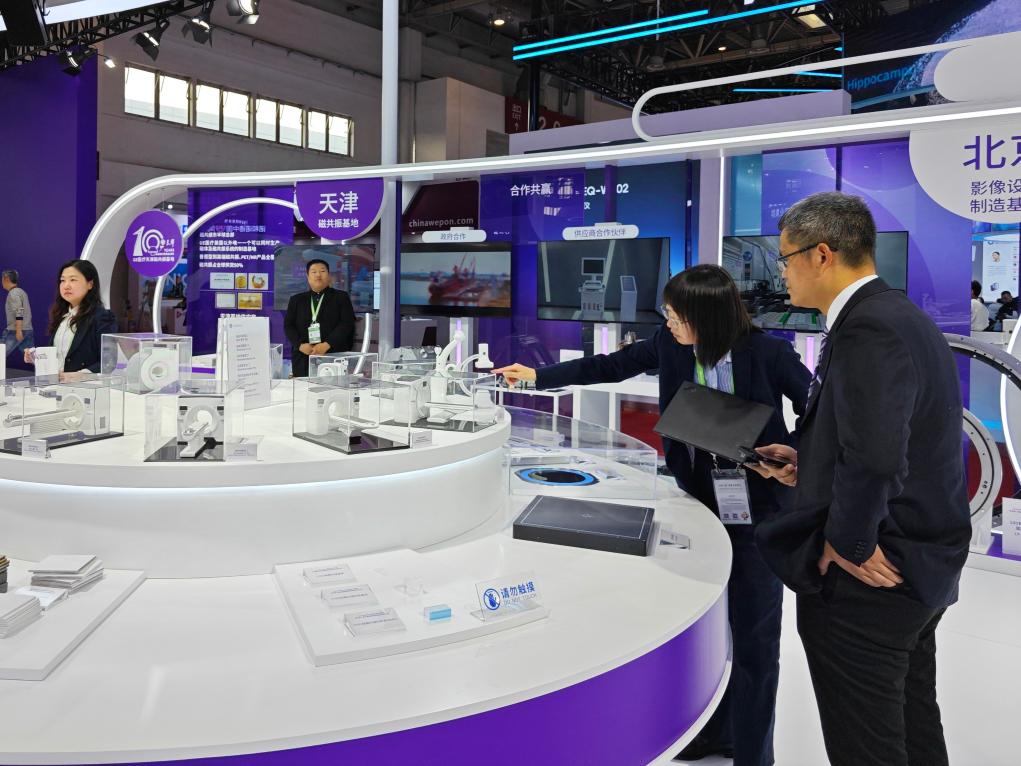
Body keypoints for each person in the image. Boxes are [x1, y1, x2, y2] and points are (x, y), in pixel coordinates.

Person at [495, 265, 811, 766]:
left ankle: (754, 755)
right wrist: (538, 376)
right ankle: (718, 732)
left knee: (755, 637)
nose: (668, 324)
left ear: (707, 318)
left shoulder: (769, 354)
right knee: (710, 626)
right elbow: (611, 365)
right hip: (697, 500)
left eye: (676, 316)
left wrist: (793, 455)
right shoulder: (670, 345)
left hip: (758, 511)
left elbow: (817, 409)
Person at [751, 192, 971, 766]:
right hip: (920, 564)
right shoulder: (899, 317)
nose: (782, 273)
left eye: (786, 258)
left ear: (822, 255)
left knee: (866, 746)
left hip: (872, 578)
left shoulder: (867, 329)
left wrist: (847, 543)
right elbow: (882, 435)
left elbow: (876, 458)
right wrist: (806, 458)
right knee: (913, 724)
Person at [24, 259, 117, 375]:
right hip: (57, 383)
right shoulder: (61, 316)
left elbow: (109, 361)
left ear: (90, 284)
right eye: (62, 280)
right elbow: (61, 359)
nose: (66, 286)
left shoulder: (102, 317)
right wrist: (36, 357)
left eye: (73, 280)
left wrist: (79, 376)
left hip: (86, 385)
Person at [283, 259, 356, 377]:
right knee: (303, 386)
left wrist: (327, 344)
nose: (318, 275)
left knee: (332, 386)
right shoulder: (296, 300)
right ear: (308, 277)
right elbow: (288, 326)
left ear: (329, 275)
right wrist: (300, 345)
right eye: (314, 272)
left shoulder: (341, 297)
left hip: (333, 354)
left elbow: (347, 324)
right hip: (303, 355)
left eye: (322, 271)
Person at [2, 269, 34, 358]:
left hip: (15, 330)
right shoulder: (21, 292)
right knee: (32, 356)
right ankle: (46, 366)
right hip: (28, 329)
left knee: (1, 352)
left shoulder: (13, 293)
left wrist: (18, 330)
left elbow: (19, 312)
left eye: (2, 279)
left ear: (6, 279)